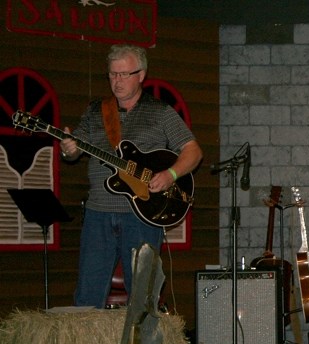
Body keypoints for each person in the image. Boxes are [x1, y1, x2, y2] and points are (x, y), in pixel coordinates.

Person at [61, 44, 203, 308]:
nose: (117, 81)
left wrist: (171, 174)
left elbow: (193, 151)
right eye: (113, 74)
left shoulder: (160, 112)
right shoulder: (96, 111)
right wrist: (69, 149)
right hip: (98, 213)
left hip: (142, 216)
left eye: (124, 74)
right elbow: (74, 150)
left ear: (141, 75)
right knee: (88, 294)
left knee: (143, 296)